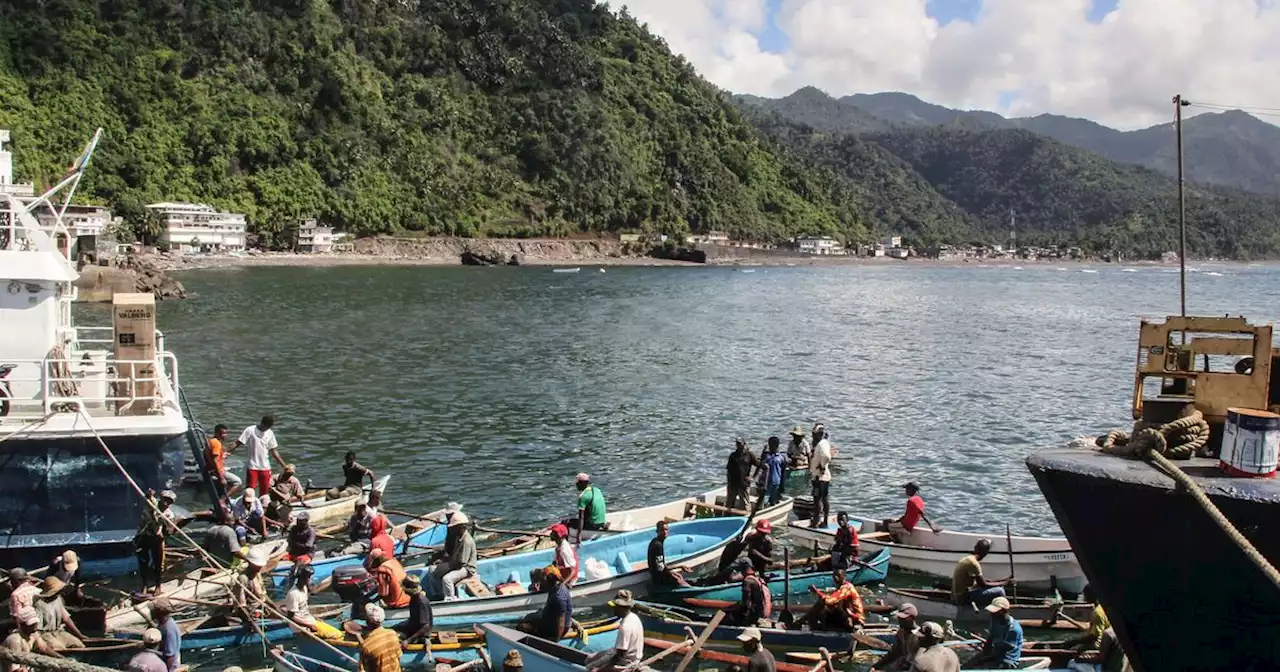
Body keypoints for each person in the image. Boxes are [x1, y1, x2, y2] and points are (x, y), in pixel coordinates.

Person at [585, 590, 643, 672]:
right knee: (590, 657)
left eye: (615, 606)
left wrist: (599, 669)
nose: (613, 609)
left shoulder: (625, 627)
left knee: (589, 666)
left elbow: (619, 655)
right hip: (632, 656)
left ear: (619, 607)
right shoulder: (634, 617)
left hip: (626, 662)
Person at [962, 597, 1023, 670]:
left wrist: (983, 659)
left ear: (1003, 611)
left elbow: (1001, 652)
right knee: (965, 667)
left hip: (1007, 660)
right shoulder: (995, 621)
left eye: (995, 612)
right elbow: (990, 640)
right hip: (995, 654)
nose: (991, 614)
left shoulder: (1013, 629)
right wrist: (981, 654)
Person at [135, 489, 177, 593]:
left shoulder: (169, 514)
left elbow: (162, 523)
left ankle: (158, 586)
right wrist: (149, 495)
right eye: (165, 500)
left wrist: (165, 528)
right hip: (144, 536)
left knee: (158, 563)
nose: (166, 503)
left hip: (156, 538)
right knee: (143, 562)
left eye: (169, 501)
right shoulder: (152, 503)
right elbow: (148, 498)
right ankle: (144, 585)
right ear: (161, 499)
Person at [230, 415, 284, 495]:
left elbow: (274, 451)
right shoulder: (250, 430)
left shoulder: (270, 433)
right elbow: (238, 443)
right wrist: (226, 451)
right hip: (252, 466)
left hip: (265, 467)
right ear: (262, 423)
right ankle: (247, 505)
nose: (267, 428)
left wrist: (284, 465)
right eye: (267, 426)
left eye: (269, 427)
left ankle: (263, 505)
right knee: (250, 491)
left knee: (265, 491)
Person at [951, 539, 1013, 608]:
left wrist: (1005, 580)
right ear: (985, 553)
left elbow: (983, 581)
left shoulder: (968, 559)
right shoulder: (973, 563)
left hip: (960, 594)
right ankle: (1002, 610)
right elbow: (983, 584)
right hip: (962, 598)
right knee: (1000, 591)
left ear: (975, 548)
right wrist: (1005, 583)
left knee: (999, 586)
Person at [428, 510, 476, 600]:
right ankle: (439, 594)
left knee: (447, 579)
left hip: (466, 569)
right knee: (432, 570)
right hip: (455, 563)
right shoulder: (458, 537)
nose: (452, 529)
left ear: (461, 527)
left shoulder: (466, 541)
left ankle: (450, 598)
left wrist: (445, 567)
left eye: (454, 527)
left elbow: (461, 563)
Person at [33, 577, 84, 649]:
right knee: (59, 647)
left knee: (79, 644)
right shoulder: (38, 602)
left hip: (58, 632)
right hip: (44, 634)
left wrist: (79, 635)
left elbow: (66, 618)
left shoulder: (58, 599)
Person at [871, 603, 919, 672]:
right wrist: (876, 666)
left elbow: (914, 664)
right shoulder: (901, 632)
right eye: (899, 618)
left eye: (903, 618)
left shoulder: (918, 637)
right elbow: (894, 652)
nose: (900, 621)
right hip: (901, 664)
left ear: (912, 618)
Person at [1063, 586, 1110, 653]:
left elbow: (1094, 637)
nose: (1084, 597)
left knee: (1071, 650)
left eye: (1085, 594)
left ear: (1091, 595)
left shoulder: (1097, 612)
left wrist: (1073, 642)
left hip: (1097, 646)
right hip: (1105, 643)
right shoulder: (1103, 608)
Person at [356, 604, 402, 672]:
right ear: (382, 620)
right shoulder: (393, 634)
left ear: (367, 621)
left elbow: (363, 670)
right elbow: (398, 657)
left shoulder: (366, 645)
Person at [646, 521, 689, 587]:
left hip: (658, 575)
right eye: (662, 530)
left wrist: (678, 567)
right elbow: (660, 569)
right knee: (683, 583)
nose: (665, 532)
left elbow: (661, 565)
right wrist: (673, 577)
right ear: (657, 531)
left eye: (666, 529)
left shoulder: (655, 541)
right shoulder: (658, 545)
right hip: (659, 579)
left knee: (679, 577)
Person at [536, 566, 572, 642]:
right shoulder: (553, 588)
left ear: (548, 580)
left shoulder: (559, 597)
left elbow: (561, 622)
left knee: (523, 626)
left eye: (542, 580)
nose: (540, 582)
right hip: (549, 621)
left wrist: (556, 641)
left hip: (552, 630)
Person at [394, 575, 433, 645]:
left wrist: (408, 640)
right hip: (413, 627)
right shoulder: (414, 598)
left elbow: (425, 627)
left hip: (419, 634)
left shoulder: (421, 602)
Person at [205, 424, 242, 498]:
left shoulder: (211, 441)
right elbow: (215, 461)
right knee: (238, 482)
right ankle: (223, 499)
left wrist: (223, 455)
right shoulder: (217, 444)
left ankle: (224, 497)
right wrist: (221, 478)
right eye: (222, 433)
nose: (225, 435)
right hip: (215, 471)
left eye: (225, 433)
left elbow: (214, 456)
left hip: (212, 469)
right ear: (217, 433)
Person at [726, 438, 760, 511]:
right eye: (737, 444)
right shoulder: (733, 456)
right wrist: (729, 483)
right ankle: (727, 516)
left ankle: (746, 517)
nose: (738, 445)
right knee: (729, 503)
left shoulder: (749, 455)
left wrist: (753, 478)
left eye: (740, 443)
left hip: (744, 483)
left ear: (744, 444)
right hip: (733, 484)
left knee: (745, 503)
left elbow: (759, 465)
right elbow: (729, 470)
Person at [809, 424, 833, 527]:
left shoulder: (822, 444)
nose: (813, 436)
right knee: (823, 498)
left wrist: (821, 466)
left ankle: (816, 521)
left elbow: (827, 456)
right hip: (821, 476)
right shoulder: (822, 443)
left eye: (815, 434)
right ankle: (824, 520)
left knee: (817, 499)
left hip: (820, 477)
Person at [282, 563, 318, 629]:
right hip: (301, 628)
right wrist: (309, 626)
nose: (309, 579)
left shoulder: (304, 588)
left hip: (308, 620)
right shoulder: (294, 594)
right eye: (308, 577)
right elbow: (291, 617)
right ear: (301, 578)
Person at [152, 597, 182, 672]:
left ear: (159, 612)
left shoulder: (169, 629)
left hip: (170, 666)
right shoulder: (163, 625)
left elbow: (170, 656)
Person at [760, 438, 787, 506]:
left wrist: (782, 485)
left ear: (777, 445)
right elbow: (761, 466)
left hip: (776, 483)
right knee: (763, 501)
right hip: (766, 483)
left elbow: (783, 472)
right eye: (770, 445)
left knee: (773, 502)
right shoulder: (766, 456)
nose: (770, 447)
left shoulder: (781, 457)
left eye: (772, 445)